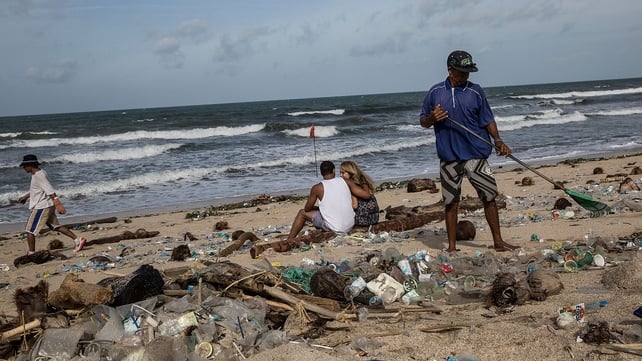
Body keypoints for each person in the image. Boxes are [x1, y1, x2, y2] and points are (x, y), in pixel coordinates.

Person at [419, 50, 518, 253]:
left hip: (476, 154)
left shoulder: (476, 91)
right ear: (450, 70)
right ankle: (452, 247)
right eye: (462, 72)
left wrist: (498, 140)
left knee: (489, 197)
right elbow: (423, 122)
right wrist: (432, 118)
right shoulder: (435, 92)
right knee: (451, 202)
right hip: (449, 157)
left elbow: (487, 119)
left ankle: (498, 241)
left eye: (468, 71)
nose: (466, 76)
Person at [17, 154, 86, 254]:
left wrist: (58, 204)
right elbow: (38, 189)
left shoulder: (39, 175)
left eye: (24, 166)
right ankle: (78, 240)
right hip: (47, 205)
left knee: (30, 230)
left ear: (30, 165)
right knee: (55, 226)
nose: (23, 168)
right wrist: (26, 197)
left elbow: (50, 190)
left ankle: (31, 253)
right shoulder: (39, 173)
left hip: (42, 207)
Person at [286, 160, 371, 240]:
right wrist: (364, 182)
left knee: (302, 213)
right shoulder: (346, 181)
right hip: (350, 224)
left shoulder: (317, 188)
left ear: (321, 173)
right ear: (333, 170)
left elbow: (307, 209)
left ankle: (290, 239)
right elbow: (366, 195)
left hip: (335, 228)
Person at [339, 161, 380, 226]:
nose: (341, 175)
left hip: (363, 218)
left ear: (350, 172)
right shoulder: (362, 179)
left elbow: (355, 206)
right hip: (374, 217)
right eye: (340, 173)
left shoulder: (352, 186)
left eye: (343, 173)